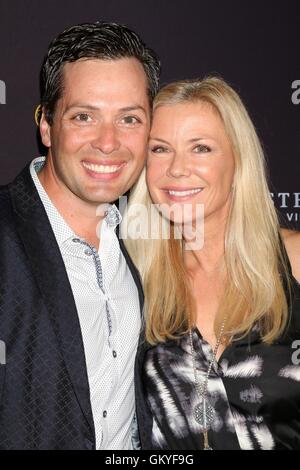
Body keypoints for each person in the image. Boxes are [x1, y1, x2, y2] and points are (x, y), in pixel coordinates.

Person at [0, 21, 160, 450]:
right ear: (47, 125)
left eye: (128, 118)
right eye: (84, 116)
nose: (108, 142)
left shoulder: (154, 240)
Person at [124, 77, 300, 450]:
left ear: (238, 161)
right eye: (160, 149)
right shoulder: (131, 277)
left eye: (200, 148)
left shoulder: (295, 259)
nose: (177, 168)